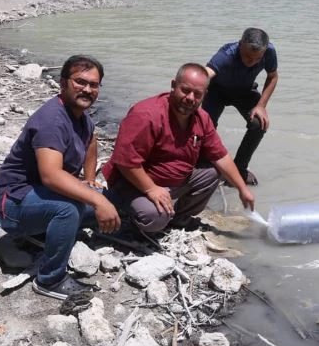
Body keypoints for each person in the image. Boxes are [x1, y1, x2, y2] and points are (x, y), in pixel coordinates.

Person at [0, 55, 120, 300]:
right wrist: (98, 201)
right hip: (12, 202)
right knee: (69, 209)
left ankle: (45, 233)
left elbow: (91, 139)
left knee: (107, 201)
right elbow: (51, 176)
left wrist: (90, 178)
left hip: (41, 195)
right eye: (80, 82)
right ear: (63, 83)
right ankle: (50, 279)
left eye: (94, 85)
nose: (87, 89)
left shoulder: (82, 116)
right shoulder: (52, 119)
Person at [102, 63, 254, 234]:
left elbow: (220, 156)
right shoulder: (146, 115)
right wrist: (151, 189)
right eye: (185, 90)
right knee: (155, 218)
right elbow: (125, 162)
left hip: (173, 182)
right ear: (173, 85)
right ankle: (124, 208)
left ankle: (178, 219)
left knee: (213, 172)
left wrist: (242, 189)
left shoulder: (202, 118)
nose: (190, 98)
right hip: (131, 182)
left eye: (197, 94)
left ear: (205, 95)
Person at [203, 27, 278, 186]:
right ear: (239, 45)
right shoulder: (226, 54)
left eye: (255, 59)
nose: (249, 62)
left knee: (259, 124)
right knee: (204, 126)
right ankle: (205, 164)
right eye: (246, 56)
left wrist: (261, 105)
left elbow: (272, 76)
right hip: (217, 91)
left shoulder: (269, 51)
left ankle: (239, 168)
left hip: (244, 91)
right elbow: (205, 74)